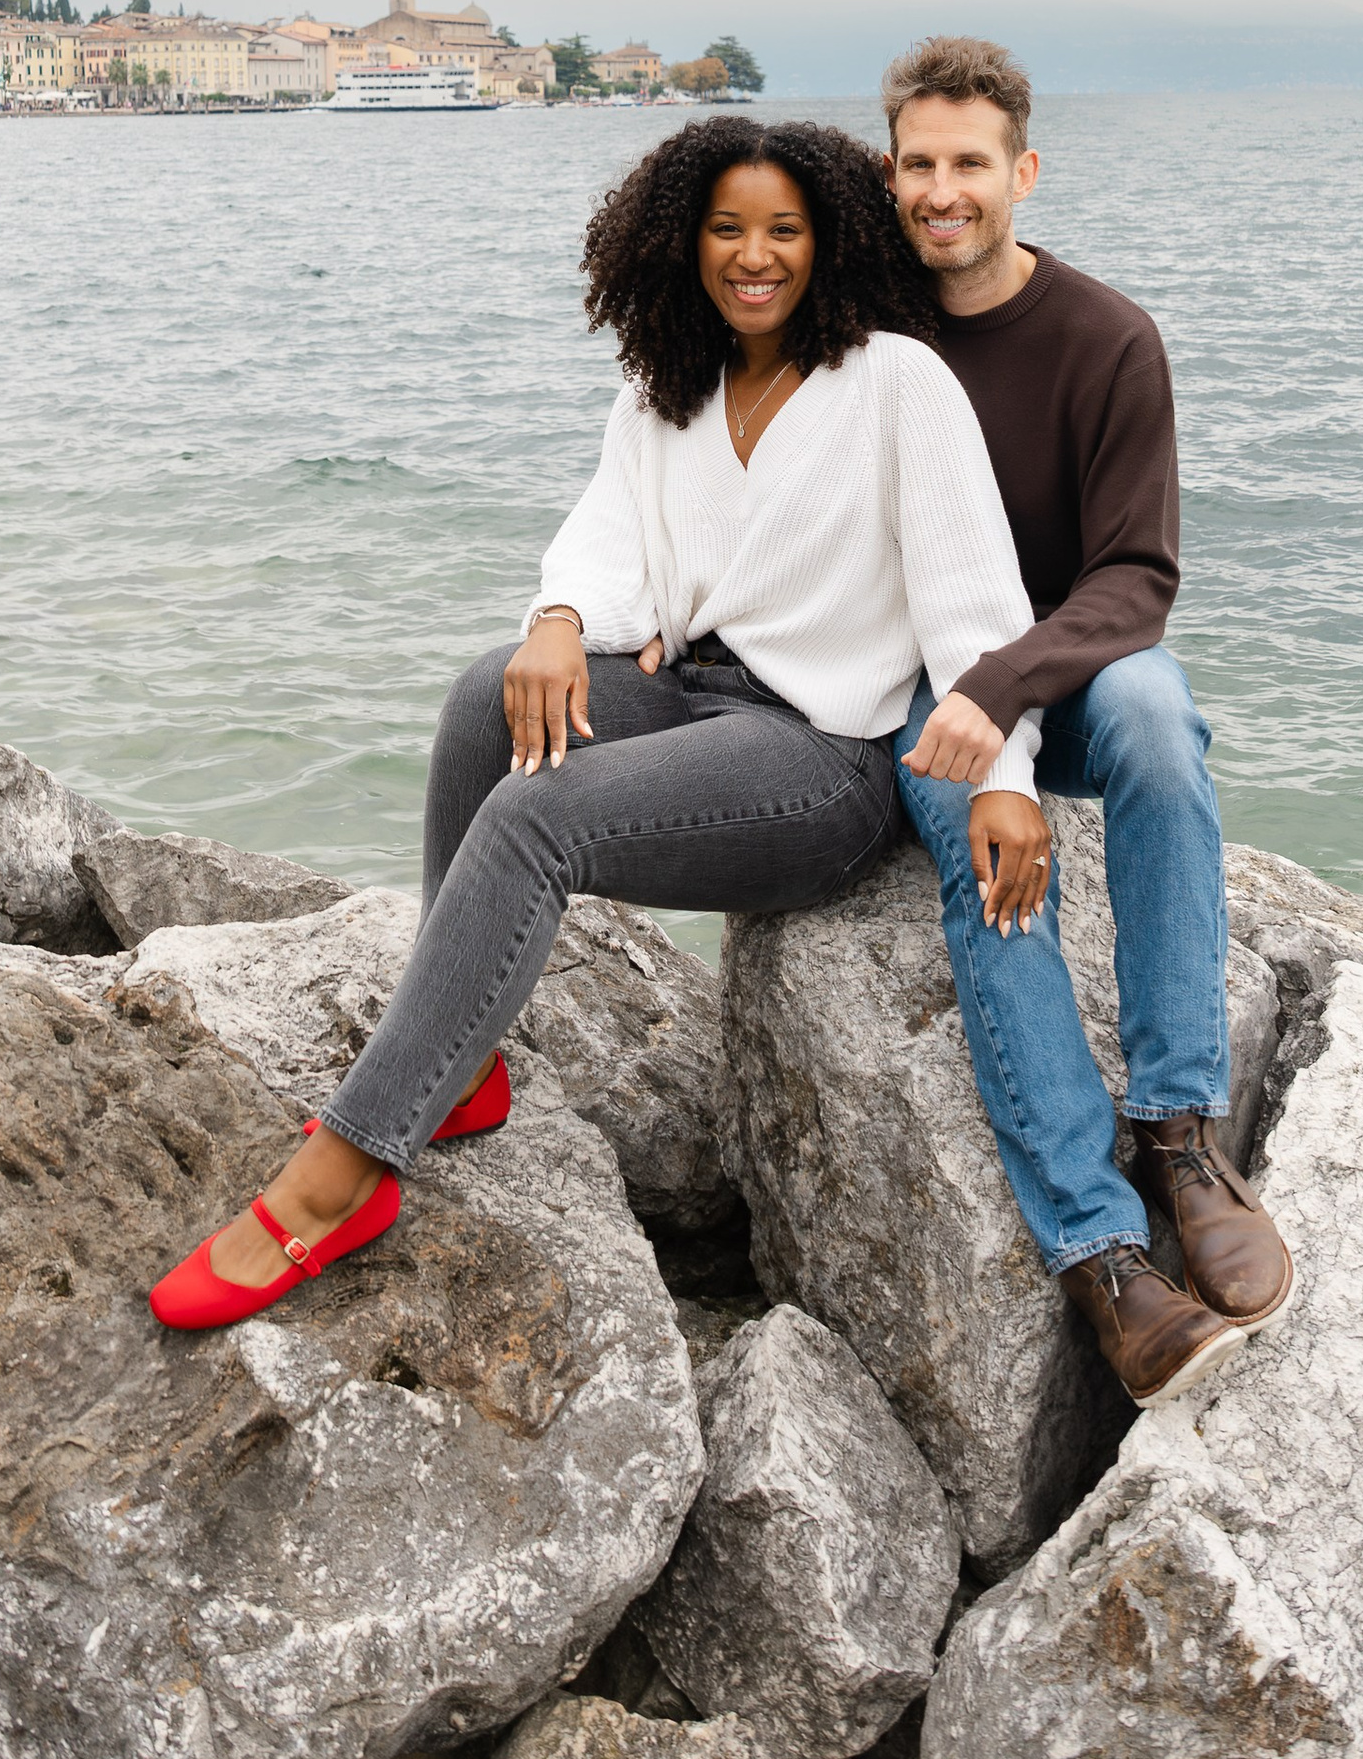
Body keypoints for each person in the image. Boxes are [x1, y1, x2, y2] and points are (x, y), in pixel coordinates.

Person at [149, 114, 1048, 1331]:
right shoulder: (665, 384)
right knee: (488, 698)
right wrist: (562, 619)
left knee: (540, 817)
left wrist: (1006, 778)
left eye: (783, 230)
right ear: (682, 242)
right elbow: (607, 544)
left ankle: (343, 1173)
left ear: (829, 241)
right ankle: (460, 1068)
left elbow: (976, 608)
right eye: (725, 229)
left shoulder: (897, 381)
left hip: (821, 759)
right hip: (691, 693)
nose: (753, 256)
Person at [882, 31, 1294, 1404]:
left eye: (970, 163)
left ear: (1024, 173)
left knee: (1160, 719)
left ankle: (1176, 1132)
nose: (943, 190)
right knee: (982, 844)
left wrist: (1008, 684)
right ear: (890, 175)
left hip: (1063, 671)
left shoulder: (1108, 339)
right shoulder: (871, 339)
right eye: (918, 164)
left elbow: (1137, 581)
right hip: (921, 688)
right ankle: (1098, 1246)